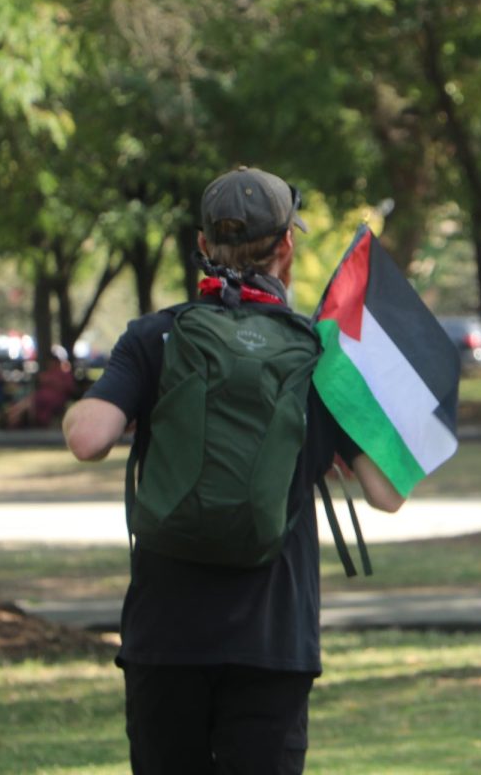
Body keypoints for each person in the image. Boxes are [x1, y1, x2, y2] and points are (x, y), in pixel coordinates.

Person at [63, 166, 403, 774]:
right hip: (273, 642)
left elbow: (88, 439)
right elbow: (384, 493)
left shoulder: (154, 338)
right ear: (287, 248)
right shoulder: (320, 354)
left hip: (166, 637)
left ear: (201, 245)